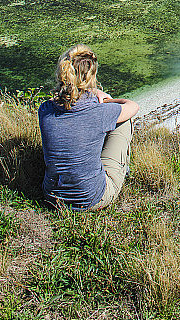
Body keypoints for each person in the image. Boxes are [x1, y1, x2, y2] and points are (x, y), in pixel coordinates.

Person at [38, 43, 140, 211]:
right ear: (91, 76)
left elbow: (61, 102)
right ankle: (122, 170)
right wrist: (105, 98)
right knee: (124, 121)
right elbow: (133, 106)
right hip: (91, 198)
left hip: (51, 196)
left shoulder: (45, 110)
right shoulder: (99, 111)